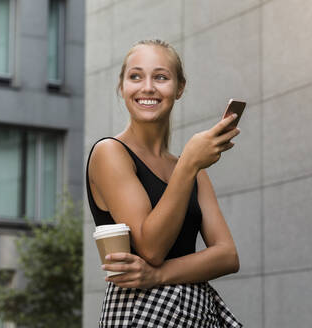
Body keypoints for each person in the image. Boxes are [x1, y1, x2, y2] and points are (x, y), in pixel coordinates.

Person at [85, 39, 243, 327]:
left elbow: (227, 255)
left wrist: (158, 275)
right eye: (135, 76)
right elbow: (151, 247)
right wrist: (189, 164)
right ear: (122, 87)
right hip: (140, 313)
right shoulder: (110, 153)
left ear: (179, 87)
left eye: (160, 77)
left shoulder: (193, 169)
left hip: (194, 312)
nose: (147, 87)